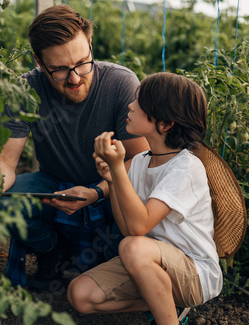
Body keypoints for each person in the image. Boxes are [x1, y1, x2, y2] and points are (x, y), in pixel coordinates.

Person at [0, 4, 149, 292]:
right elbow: (6, 161)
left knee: (130, 229)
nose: (75, 78)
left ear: (91, 46)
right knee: (4, 204)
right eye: (59, 69)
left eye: (83, 62)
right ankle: (50, 249)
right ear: (39, 62)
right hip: (53, 187)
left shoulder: (121, 84)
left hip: (110, 191)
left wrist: (97, 191)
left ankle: (104, 261)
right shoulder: (25, 91)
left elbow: (141, 161)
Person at [67, 72, 223, 324]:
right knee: (80, 295)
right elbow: (128, 228)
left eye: (139, 102)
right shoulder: (141, 161)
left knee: (132, 248)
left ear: (164, 124)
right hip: (148, 262)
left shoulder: (185, 168)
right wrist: (111, 179)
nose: (130, 105)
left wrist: (118, 168)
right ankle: (165, 304)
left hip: (194, 273)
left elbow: (140, 228)